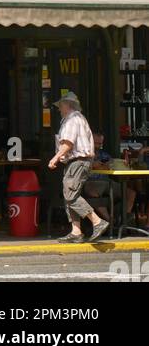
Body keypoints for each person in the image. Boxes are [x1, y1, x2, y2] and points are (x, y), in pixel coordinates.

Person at [48, 92, 108, 242]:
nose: (59, 109)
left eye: (61, 105)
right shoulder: (77, 118)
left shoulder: (72, 119)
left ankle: (97, 221)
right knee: (69, 195)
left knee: (70, 195)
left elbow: (68, 143)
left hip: (78, 161)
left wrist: (55, 158)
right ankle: (76, 231)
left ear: (67, 105)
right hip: (77, 162)